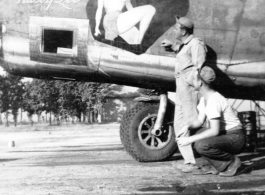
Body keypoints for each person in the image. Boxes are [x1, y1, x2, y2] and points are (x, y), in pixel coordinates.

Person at [176, 66, 245, 177]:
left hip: (236, 137)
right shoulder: (205, 98)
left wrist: (189, 139)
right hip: (226, 135)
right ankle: (218, 165)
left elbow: (214, 131)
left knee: (202, 145)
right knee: (195, 133)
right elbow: (199, 121)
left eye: (193, 80)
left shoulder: (214, 100)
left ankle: (232, 162)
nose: (192, 83)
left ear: (200, 82)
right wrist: (187, 127)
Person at [161, 16, 207, 173]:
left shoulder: (196, 45)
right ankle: (189, 162)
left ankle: (211, 157)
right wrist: (173, 46)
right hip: (180, 90)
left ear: (184, 31)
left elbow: (198, 69)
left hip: (188, 90)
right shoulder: (185, 45)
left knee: (194, 122)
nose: (174, 29)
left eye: (176, 27)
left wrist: (189, 84)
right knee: (180, 125)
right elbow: (183, 55)